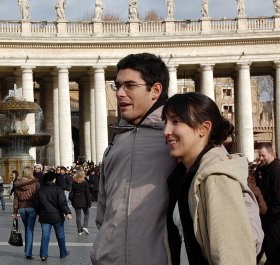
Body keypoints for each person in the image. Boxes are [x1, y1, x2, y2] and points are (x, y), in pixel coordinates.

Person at [91, 53, 176, 265]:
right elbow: (103, 208)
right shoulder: (116, 141)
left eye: (129, 85)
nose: (120, 93)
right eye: (117, 85)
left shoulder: (178, 135)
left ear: (155, 90)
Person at [163, 92, 261, 264]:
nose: (166, 131)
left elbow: (232, 257)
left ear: (204, 128)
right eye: (165, 122)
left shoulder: (216, 178)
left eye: (176, 121)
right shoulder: (186, 175)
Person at [34, 170, 72, 262]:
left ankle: (43, 255)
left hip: (45, 216)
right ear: (53, 179)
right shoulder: (58, 189)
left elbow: (36, 204)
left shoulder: (40, 190)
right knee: (60, 235)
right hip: (57, 216)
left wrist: (40, 213)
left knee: (45, 236)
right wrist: (68, 212)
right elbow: (62, 203)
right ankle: (63, 253)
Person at [256, 143, 280, 264]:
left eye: (263, 156)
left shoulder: (277, 170)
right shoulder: (264, 169)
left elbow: (278, 199)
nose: (260, 158)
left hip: (274, 220)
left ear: (271, 154)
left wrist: (269, 217)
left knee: (273, 251)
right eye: (259, 156)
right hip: (266, 218)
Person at [13, 166, 40, 259]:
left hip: (22, 208)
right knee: (29, 230)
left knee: (27, 229)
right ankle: (28, 252)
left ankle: (27, 249)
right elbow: (38, 196)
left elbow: (16, 199)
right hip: (32, 207)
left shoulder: (17, 183)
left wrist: (15, 212)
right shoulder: (35, 183)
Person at [69, 170, 91, 235]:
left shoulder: (74, 183)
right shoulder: (85, 183)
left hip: (76, 201)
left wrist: (72, 201)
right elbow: (87, 193)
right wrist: (89, 202)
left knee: (78, 216)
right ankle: (84, 226)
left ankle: (79, 231)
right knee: (87, 214)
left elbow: (71, 193)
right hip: (84, 200)